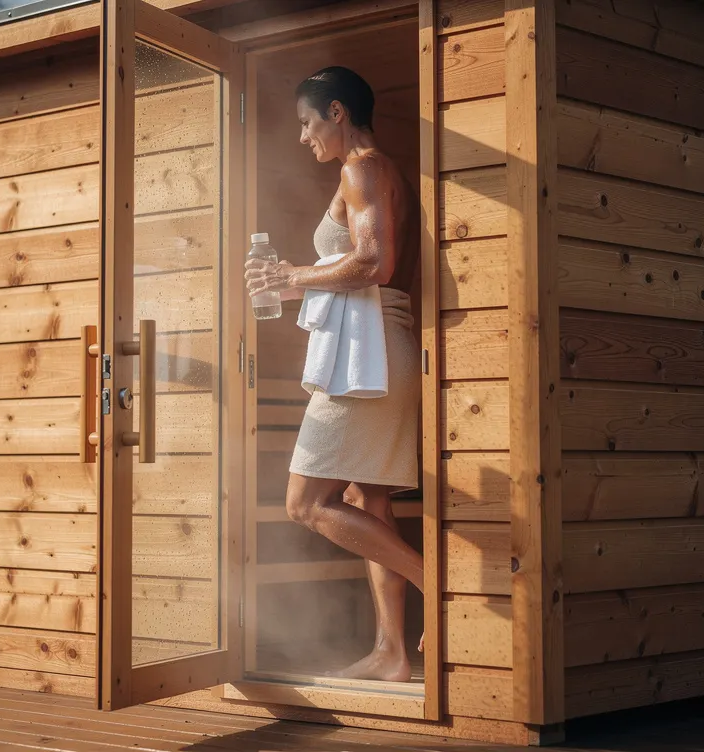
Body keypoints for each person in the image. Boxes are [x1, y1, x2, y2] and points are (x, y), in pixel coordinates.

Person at [244, 66, 424, 682]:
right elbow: (352, 271)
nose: (303, 136)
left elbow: (375, 261)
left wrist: (291, 275)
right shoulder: (368, 171)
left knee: (304, 502)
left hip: (369, 355)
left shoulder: (364, 168)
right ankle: (393, 653)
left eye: (307, 121)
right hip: (375, 343)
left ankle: (444, 591)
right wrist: (287, 284)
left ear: (337, 112)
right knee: (365, 499)